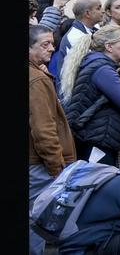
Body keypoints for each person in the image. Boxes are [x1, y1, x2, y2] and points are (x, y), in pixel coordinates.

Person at [59, 25, 120, 165]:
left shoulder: (98, 64)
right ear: (109, 47)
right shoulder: (102, 69)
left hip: (95, 136)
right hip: (98, 139)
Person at [30, 24, 77, 255]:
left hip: (37, 163)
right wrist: (57, 166)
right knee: (37, 221)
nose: (52, 48)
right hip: (39, 165)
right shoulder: (37, 80)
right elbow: (43, 129)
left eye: (52, 43)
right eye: (44, 44)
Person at [49, 0, 104, 83]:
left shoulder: (95, 29)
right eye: (98, 8)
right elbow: (89, 65)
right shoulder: (75, 37)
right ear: (87, 13)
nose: (103, 11)